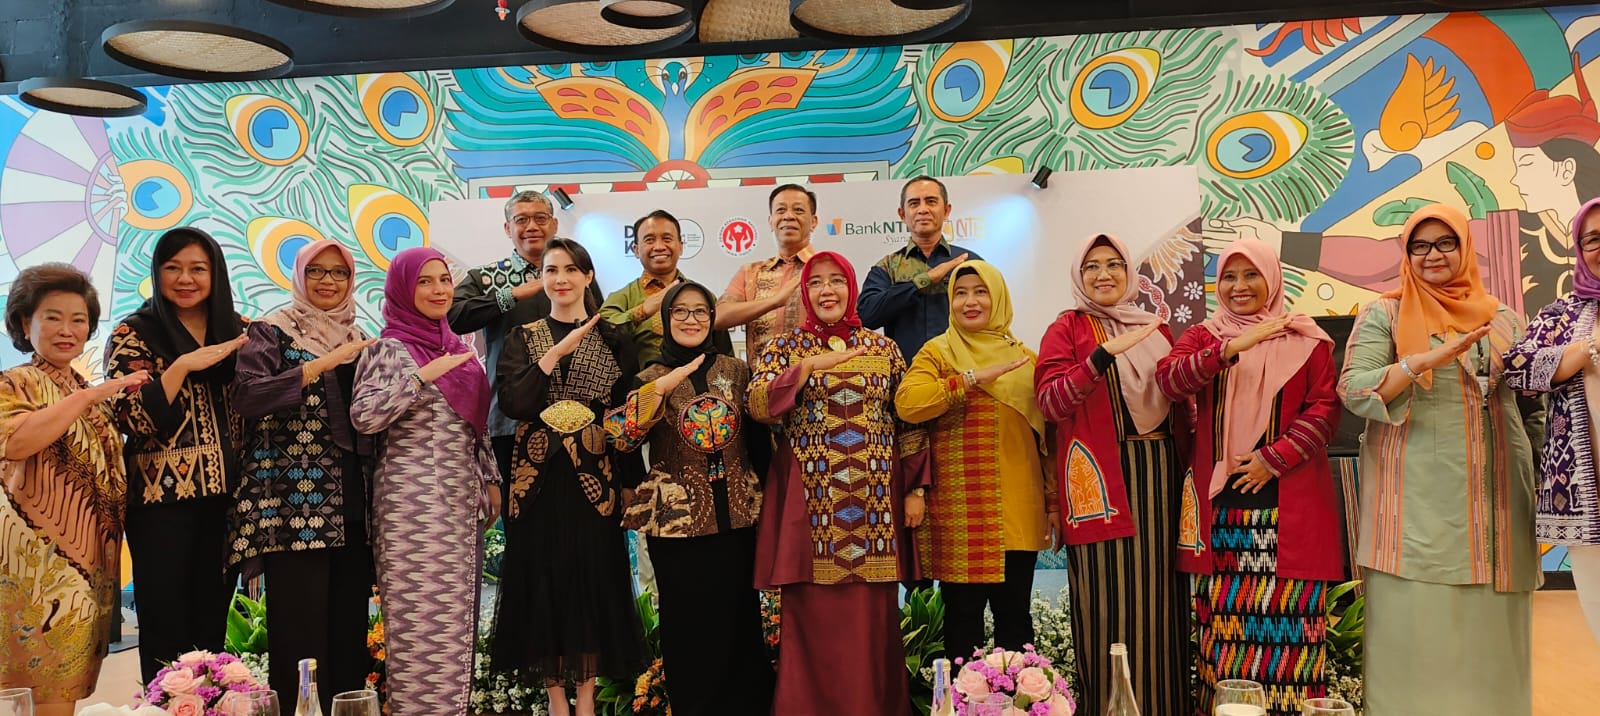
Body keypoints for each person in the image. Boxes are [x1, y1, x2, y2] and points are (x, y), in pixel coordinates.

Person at [1340, 205, 1539, 716]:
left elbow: (1532, 403)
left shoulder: (1504, 318)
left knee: (1492, 646)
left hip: (1497, 505)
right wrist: (1417, 364)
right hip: (1414, 504)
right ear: (1406, 254)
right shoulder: (1383, 314)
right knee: (1417, 636)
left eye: (1446, 243)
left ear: (1465, 248)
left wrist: (1544, 480)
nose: (1433, 255)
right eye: (1420, 246)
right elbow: (1354, 388)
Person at [1156, 239, 1343, 716]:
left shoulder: (1307, 339)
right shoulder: (1204, 336)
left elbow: (1324, 408)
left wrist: (1272, 459)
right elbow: (1170, 381)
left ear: (1272, 279)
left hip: (1290, 506)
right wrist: (1228, 349)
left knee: (1293, 636)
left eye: (1251, 275)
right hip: (1221, 511)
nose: (1239, 287)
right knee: (1223, 637)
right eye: (1229, 277)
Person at [748, 251, 928, 716]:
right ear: (804, 293)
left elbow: (907, 420)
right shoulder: (784, 348)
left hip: (875, 505)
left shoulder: (883, 349)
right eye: (815, 282)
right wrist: (807, 368)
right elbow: (759, 405)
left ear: (851, 288)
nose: (826, 290)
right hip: (810, 506)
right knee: (812, 615)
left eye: (836, 281)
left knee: (872, 619)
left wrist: (915, 488)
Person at [1032, 234, 1192, 715]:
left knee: (1164, 608)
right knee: (1108, 606)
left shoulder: (1156, 329)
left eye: (1114, 265)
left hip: (1161, 478)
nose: (1104, 275)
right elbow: (1051, 402)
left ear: (1129, 273)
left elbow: (1184, 402)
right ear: (1079, 277)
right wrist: (1100, 357)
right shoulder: (1067, 328)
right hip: (1103, 483)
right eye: (1092, 267)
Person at [604, 281, 774, 716]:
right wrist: (660, 390)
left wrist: (770, 503)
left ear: (713, 319)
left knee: (739, 618)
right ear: (665, 319)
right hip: (677, 524)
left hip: (736, 517)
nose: (691, 319)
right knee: (688, 625)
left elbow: (757, 442)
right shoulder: (647, 378)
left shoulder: (736, 372)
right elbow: (622, 441)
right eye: (680, 311)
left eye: (700, 311)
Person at [493, 238, 646, 716]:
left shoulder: (614, 338)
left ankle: (586, 700)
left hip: (596, 479)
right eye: (550, 270)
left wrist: (630, 482)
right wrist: (553, 354)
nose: (560, 279)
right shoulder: (523, 337)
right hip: (535, 480)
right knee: (543, 581)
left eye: (570, 269)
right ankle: (556, 699)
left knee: (592, 579)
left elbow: (624, 418)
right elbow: (514, 403)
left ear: (587, 276)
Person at [350, 247, 501, 716]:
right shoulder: (389, 348)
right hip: (410, 504)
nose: (439, 290)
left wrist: (491, 479)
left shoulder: (458, 349)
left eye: (444, 280)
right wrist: (418, 379)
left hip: (459, 498)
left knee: (456, 621)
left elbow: (476, 426)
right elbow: (364, 415)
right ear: (402, 289)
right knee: (417, 624)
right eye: (425, 282)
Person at [229, 240, 377, 711]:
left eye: (339, 273)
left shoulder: (361, 337)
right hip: (294, 508)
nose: (328, 281)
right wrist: (318, 366)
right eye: (316, 271)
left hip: (354, 506)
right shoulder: (271, 331)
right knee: (300, 635)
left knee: (349, 633)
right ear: (299, 275)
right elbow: (248, 397)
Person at [0, 264, 148, 716]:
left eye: (78, 319)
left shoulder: (88, 392)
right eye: (53, 317)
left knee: (67, 689)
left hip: (91, 566)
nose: (67, 330)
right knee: (40, 691)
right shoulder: (15, 382)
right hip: (35, 568)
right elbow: (16, 441)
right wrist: (87, 397)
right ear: (24, 322)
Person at [103, 227, 247, 683]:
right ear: (157, 272)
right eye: (173, 268)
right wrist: (182, 366)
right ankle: (165, 706)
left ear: (215, 274)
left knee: (212, 625)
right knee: (165, 624)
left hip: (228, 502)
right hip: (160, 505)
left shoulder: (240, 331)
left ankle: (210, 707)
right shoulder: (134, 332)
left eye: (198, 269)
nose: (185, 279)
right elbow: (130, 416)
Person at [895, 260, 1052, 662]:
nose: (970, 301)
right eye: (960, 293)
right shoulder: (939, 351)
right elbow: (908, 404)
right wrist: (968, 380)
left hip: (1018, 509)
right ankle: (963, 696)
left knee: (1015, 620)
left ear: (998, 297)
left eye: (981, 292)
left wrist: (1053, 502)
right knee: (962, 625)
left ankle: (1019, 694)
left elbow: (1047, 440)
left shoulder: (1027, 360)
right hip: (960, 511)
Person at [448, 190, 600, 483]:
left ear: (554, 224)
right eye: (521, 220)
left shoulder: (574, 276)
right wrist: (512, 295)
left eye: (540, 218)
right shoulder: (486, 277)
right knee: (516, 505)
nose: (532, 226)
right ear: (508, 229)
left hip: (577, 413)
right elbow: (453, 317)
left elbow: (597, 328)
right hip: (511, 418)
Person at [1505, 195, 1600, 648]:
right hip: (1585, 491)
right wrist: (1586, 349)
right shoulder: (1562, 314)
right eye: (1593, 239)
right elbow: (1517, 370)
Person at [859, 175, 984, 361]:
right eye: (914, 203)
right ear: (902, 214)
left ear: (946, 210)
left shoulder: (969, 263)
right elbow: (866, 316)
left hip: (964, 369)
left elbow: (992, 316)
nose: (923, 209)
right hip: (906, 373)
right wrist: (923, 281)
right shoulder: (887, 267)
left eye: (931, 201)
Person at [715, 184, 813, 361]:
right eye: (781, 210)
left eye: (798, 210)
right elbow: (718, 317)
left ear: (814, 222)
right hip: (761, 376)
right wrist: (774, 301)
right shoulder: (750, 272)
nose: (788, 216)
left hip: (816, 374)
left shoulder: (827, 269)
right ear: (771, 221)